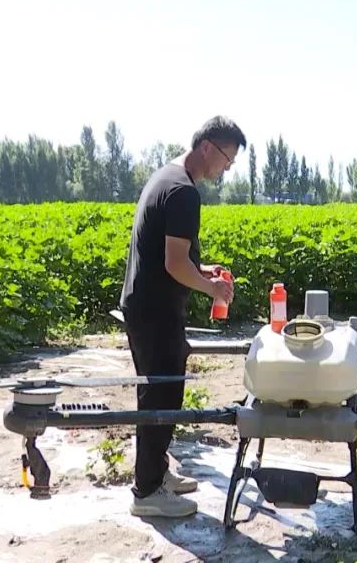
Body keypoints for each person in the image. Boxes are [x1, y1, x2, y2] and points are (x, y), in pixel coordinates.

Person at [119, 115, 244, 517]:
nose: (226, 169)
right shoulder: (184, 193)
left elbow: (170, 257)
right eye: (227, 159)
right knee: (161, 396)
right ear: (207, 147)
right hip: (154, 311)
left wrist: (202, 270)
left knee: (160, 392)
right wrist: (212, 288)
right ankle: (147, 493)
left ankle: (156, 471)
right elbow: (175, 264)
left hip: (147, 305)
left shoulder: (166, 177)